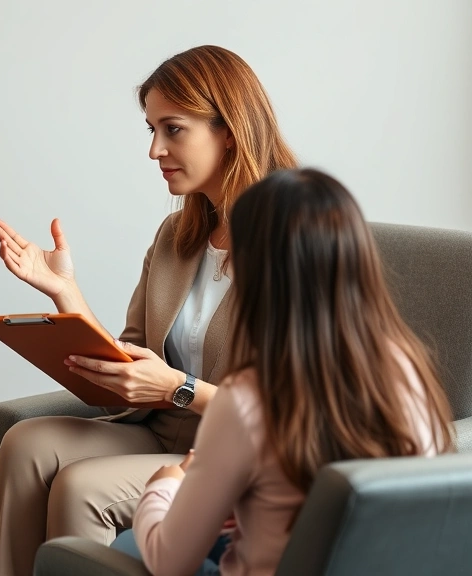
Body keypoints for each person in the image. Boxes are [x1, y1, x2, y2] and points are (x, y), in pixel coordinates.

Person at [0, 45, 298, 576]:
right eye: (151, 130)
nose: (155, 149)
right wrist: (64, 291)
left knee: (82, 487)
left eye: (172, 129)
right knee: (25, 442)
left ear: (229, 129)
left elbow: (293, 412)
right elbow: (133, 353)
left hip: (235, 450)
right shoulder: (177, 236)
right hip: (164, 430)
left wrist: (178, 388)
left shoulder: (294, 238)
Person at [109, 167, 455, 576]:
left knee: (131, 542)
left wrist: (163, 486)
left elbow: (171, 561)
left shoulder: (246, 397)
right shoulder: (406, 368)